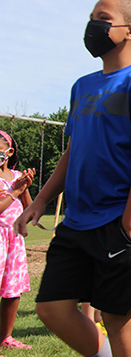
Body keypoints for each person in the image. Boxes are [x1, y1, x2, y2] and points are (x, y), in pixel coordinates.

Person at [14, 0, 131, 357]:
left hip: (121, 217)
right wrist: (42, 200)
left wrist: (129, 225)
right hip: (77, 219)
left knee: (117, 316)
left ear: (130, 31)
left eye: (103, 19)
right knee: (51, 307)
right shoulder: (81, 87)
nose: (92, 26)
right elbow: (73, 150)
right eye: (92, 18)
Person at [0, 131, 34, 351]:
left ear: (9, 152)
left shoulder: (16, 176)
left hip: (14, 240)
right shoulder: (13, 185)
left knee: (13, 290)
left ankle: (6, 337)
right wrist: (14, 191)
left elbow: (29, 209)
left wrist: (26, 187)